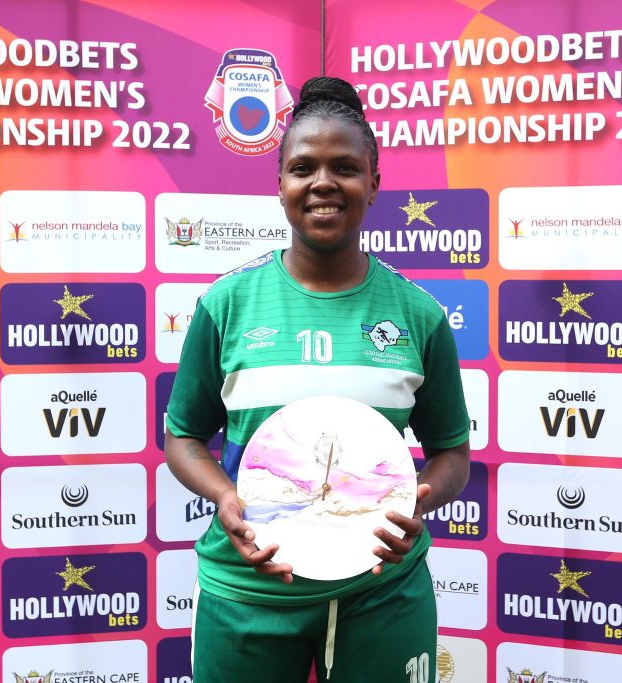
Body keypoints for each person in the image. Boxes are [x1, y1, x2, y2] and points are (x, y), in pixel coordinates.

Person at [164, 76, 471, 683]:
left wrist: (415, 499)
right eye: (303, 168)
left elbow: (452, 454)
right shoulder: (226, 305)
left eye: (346, 168)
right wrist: (226, 498)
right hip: (248, 592)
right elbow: (183, 438)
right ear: (280, 184)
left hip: (382, 592)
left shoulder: (418, 315)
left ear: (374, 183)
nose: (323, 183)